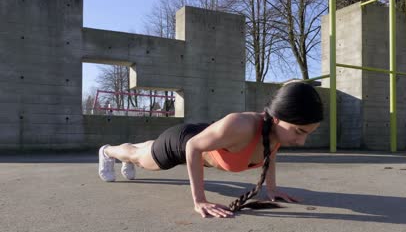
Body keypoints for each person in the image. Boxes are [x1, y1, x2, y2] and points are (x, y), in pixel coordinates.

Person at [98, 81, 323, 218]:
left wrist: (272, 188)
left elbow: (270, 152)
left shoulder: (275, 132)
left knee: (146, 149)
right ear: (276, 118)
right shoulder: (240, 125)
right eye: (299, 132)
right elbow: (193, 146)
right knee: (140, 159)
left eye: (307, 133)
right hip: (183, 142)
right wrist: (200, 200)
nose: (301, 141)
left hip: (207, 136)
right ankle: (108, 151)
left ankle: (142, 147)